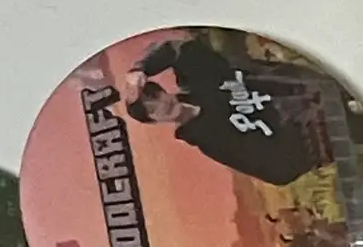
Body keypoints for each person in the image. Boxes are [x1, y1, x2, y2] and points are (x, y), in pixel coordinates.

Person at [122, 33, 327, 186]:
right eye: (151, 110)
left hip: (319, 79)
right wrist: (309, 128)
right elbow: (279, 173)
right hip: (328, 124)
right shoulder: (211, 140)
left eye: (154, 96)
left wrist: (141, 69)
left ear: (163, 91)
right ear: (154, 121)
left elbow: (176, 48)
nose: (161, 105)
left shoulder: (199, 79)